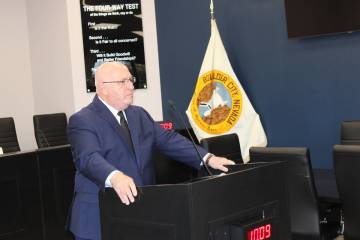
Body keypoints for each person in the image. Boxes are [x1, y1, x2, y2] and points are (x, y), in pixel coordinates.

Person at [67, 61, 235, 240]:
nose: (131, 86)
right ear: (103, 87)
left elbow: (169, 140)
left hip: (139, 214)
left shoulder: (138, 114)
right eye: (123, 82)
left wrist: (208, 158)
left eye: (131, 80)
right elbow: (88, 158)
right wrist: (114, 176)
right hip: (98, 217)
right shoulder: (83, 120)